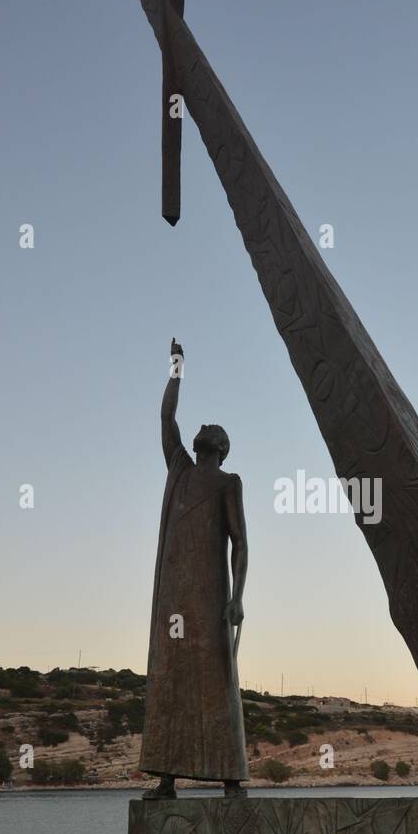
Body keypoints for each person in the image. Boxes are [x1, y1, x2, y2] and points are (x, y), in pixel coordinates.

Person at [139, 338, 248, 799]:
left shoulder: (228, 483)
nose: (204, 426)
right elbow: (166, 418)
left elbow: (240, 543)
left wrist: (237, 596)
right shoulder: (179, 467)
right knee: (169, 678)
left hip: (209, 598)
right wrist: (176, 369)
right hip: (174, 598)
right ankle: (166, 775)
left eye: (213, 428)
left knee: (217, 680)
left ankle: (229, 776)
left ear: (221, 447)